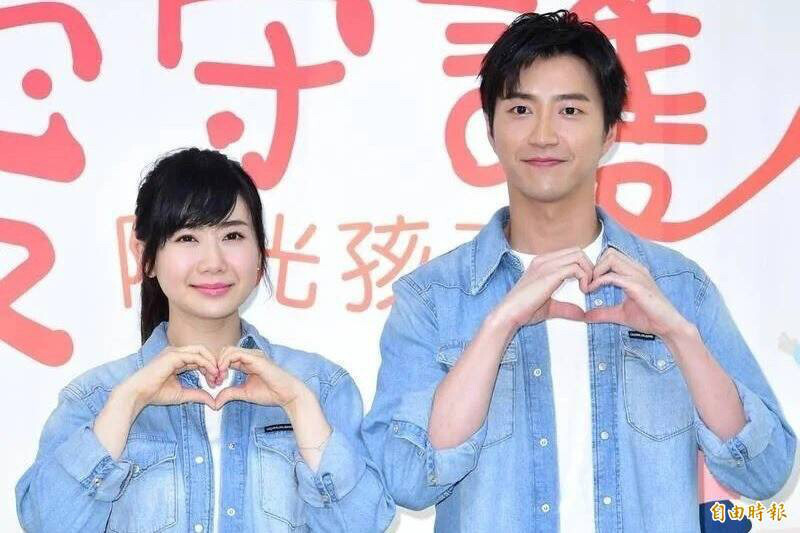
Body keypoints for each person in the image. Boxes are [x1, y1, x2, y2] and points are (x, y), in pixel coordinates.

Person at [363, 10, 795, 532]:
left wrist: (680, 336)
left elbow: (766, 471)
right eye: (520, 109)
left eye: (569, 110)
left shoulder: (679, 287)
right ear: (491, 130)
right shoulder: (432, 299)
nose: (544, 134)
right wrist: (498, 325)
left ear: (609, 131)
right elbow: (405, 480)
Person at [16, 148, 394, 532]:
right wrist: (127, 402)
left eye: (232, 235)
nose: (213, 262)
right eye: (187, 237)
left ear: (260, 252)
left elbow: (364, 524)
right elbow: (47, 523)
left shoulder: (320, 386)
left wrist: (299, 405)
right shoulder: (97, 397)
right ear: (146, 256)